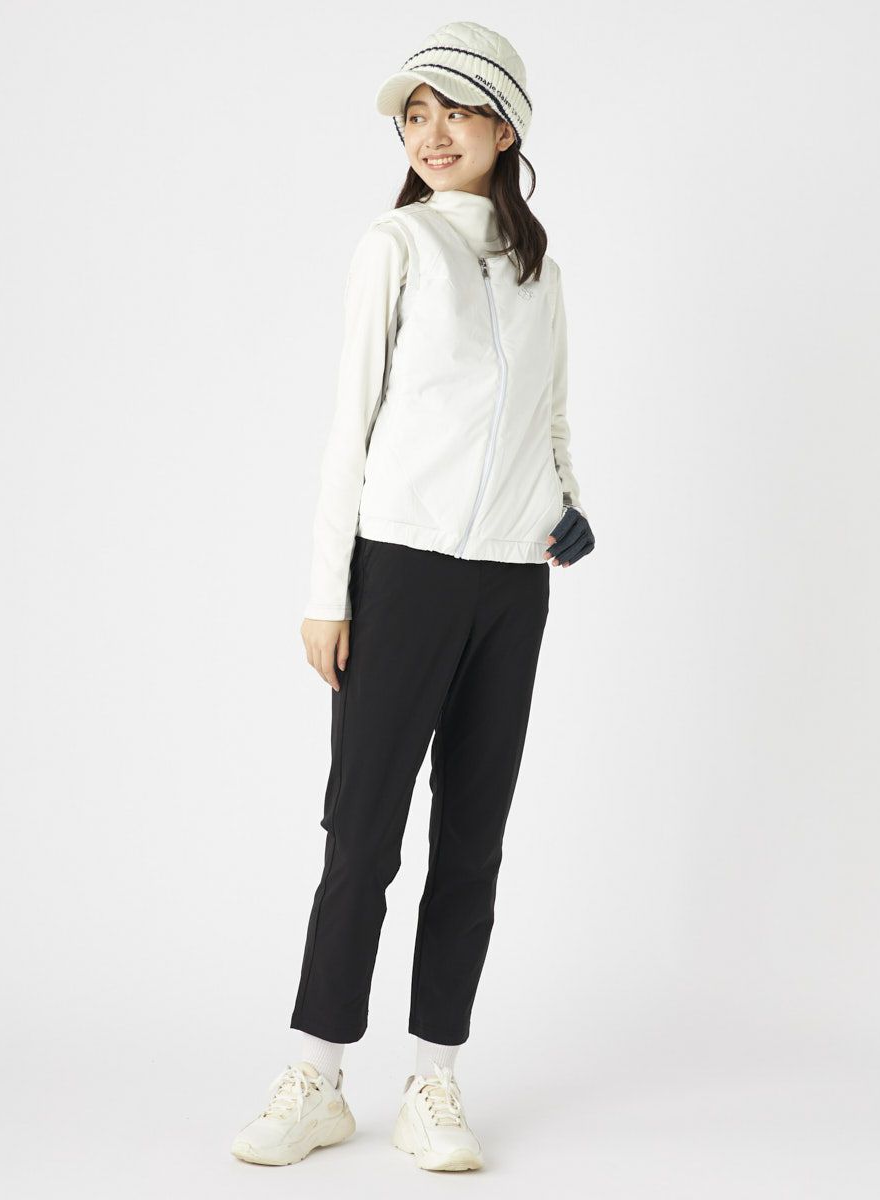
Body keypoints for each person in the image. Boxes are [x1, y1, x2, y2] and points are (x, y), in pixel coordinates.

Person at [231, 20, 595, 1171]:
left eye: (455, 111)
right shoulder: (396, 245)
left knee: (472, 841)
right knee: (363, 836)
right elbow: (351, 422)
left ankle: (435, 1079)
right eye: (414, 115)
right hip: (397, 570)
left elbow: (550, 414)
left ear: (506, 127)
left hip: (511, 586)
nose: (431, 134)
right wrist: (325, 591)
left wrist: (566, 508)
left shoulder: (539, 272)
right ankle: (316, 1075)